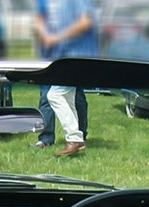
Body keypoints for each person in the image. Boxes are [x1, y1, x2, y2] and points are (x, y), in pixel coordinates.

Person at [35, 0, 98, 155]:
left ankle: (74, 138)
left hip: (78, 55)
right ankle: (77, 140)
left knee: (54, 95)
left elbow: (85, 22)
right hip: (58, 55)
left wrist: (56, 38)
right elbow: (38, 18)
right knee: (67, 97)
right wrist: (47, 37)